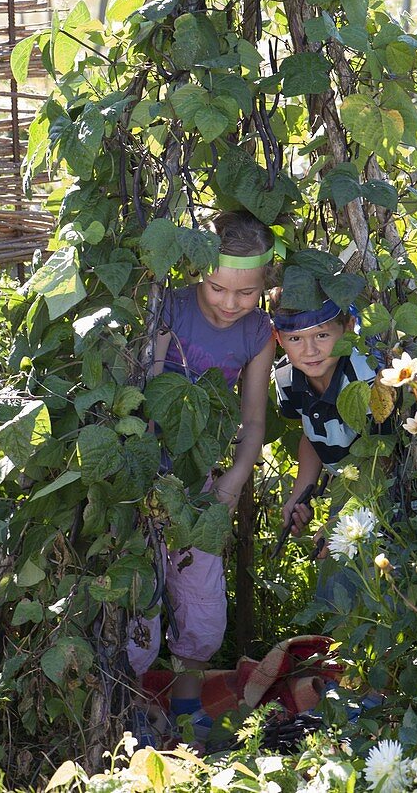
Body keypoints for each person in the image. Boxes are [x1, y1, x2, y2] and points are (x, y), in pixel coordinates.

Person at [128, 209, 276, 741]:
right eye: (217, 288)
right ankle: (139, 703)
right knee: (141, 589)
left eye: (247, 294)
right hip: (150, 477)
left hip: (205, 483)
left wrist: (233, 482)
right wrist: (143, 476)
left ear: (264, 287)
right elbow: (145, 393)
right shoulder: (169, 308)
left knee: (202, 596)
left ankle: (188, 705)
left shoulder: (258, 334)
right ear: (198, 273)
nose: (231, 303)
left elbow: (254, 420)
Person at [272, 293, 386, 554]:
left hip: (383, 486)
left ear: (348, 327)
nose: (310, 351)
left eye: (322, 335)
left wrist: (344, 520)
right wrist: (300, 492)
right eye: (295, 339)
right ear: (278, 338)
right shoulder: (287, 377)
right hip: (347, 487)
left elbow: (384, 458)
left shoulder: (367, 378)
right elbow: (313, 433)